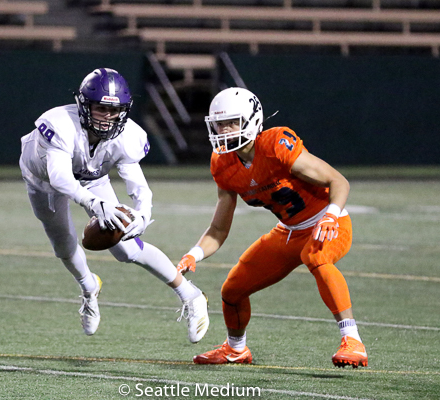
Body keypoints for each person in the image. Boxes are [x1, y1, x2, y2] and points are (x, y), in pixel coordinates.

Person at [177, 87, 368, 368]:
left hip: (327, 221)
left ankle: (353, 341)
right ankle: (236, 349)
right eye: (220, 124)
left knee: (316, 257)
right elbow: (218, 229)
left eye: (232, 122)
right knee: (233, 289)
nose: (225, 130)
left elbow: (338, 181)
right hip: (288, 231)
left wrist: (330, 215)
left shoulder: (276, 144)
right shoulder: (222, 163)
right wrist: (193, 254)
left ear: (252, 120)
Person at [19, 68, 209, 343]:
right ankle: (89, 288)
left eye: (115, 110)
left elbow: (139, 186)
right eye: (101, 108)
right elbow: (60, 178)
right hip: (43, 180)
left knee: (127, 249)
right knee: (63, 243)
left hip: (92, 178)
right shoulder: (60, 124)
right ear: (84, 106)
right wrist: (94, 204)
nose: (108, 117)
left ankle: (191, 295)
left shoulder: (128, 135)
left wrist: (143, 215)